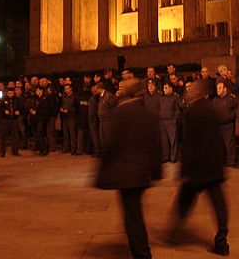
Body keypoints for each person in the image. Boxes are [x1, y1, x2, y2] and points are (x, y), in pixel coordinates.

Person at [96, 78, 161, 259]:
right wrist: (156, 172)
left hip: (126, 175)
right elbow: (155, 145)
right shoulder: (147, 114)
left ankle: (142, 253)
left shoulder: (118, 114)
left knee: (132, 216)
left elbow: (111, 145)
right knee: (134, 212)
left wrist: (103, 174)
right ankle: (139, 250)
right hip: (141, 173)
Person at [167, 79, 230, 256]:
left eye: (191, 90)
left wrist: (183, 171)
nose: (188, 92)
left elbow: (188, 144)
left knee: (184, 202)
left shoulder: (191, 112)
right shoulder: (211, 109)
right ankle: (222, 240)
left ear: (198, 93)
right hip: (213, 167)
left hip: (197, 169)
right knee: (219, 204)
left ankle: (174, 232)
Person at [211, 80, 237, 167]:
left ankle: (231, 161)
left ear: (225, 89)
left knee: (229, 145)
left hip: (228, 125)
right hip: (218, 126)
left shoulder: (231, 98)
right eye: (217, 88)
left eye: (220, 88)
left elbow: (235, 110)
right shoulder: (214, 100)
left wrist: (230, 116)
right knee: (220, 145)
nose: (218, 90)